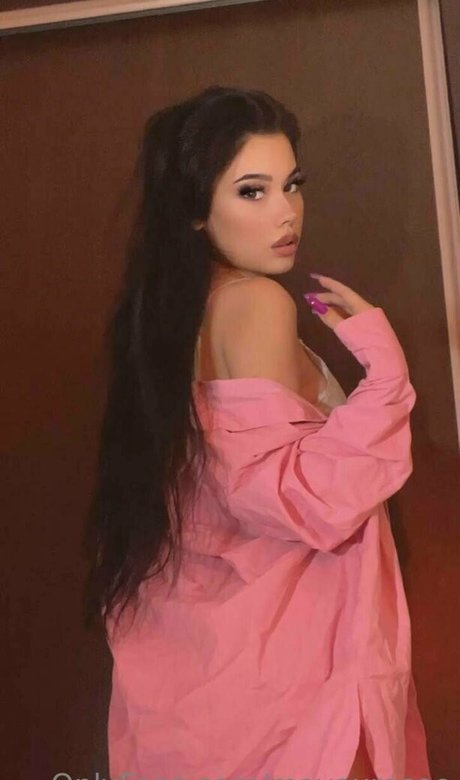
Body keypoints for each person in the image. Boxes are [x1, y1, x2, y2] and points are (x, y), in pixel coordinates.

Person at [82, 86, 431, 780]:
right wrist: (387, 376)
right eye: (252, 191)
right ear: (194, 211)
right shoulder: (256, 303)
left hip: (212, 663)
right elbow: (295, 499)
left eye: (292, 184)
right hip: (288, 668)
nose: (286, 212)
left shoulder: (177, 314)